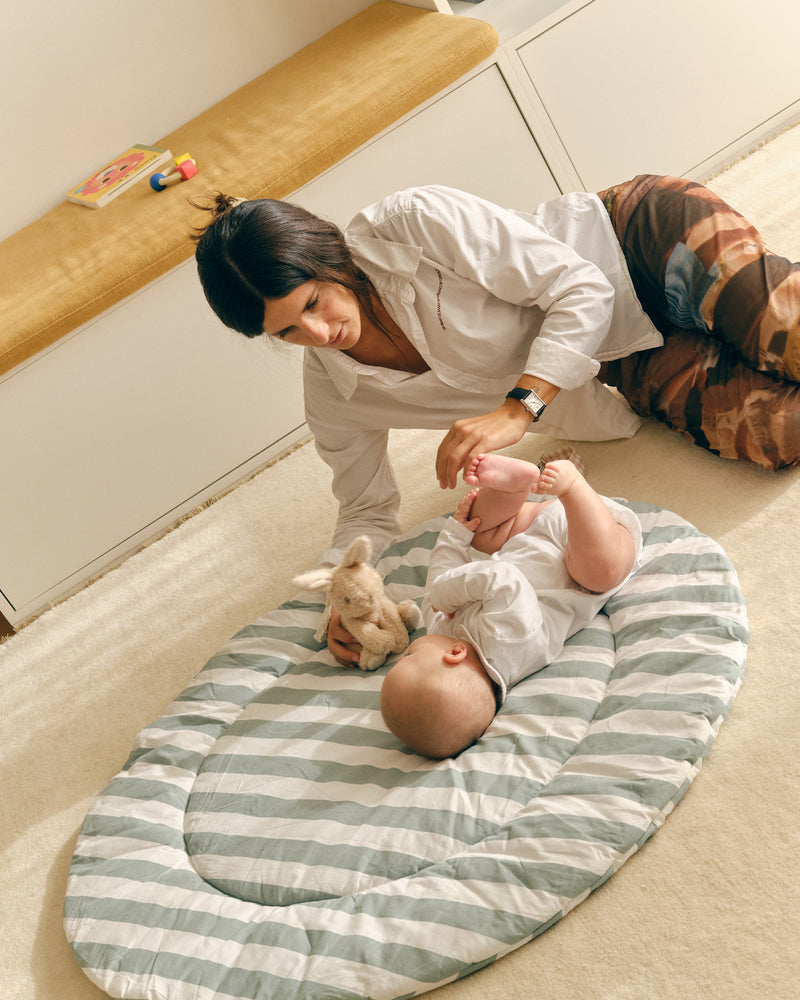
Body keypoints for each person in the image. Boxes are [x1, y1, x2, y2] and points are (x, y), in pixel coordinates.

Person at [193, 176, 800, 665]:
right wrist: (344, 595)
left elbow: (580, 287)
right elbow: (364, 511)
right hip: (620, 363)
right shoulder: (334, 391)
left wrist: (521, 408)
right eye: (289, 332)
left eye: (312, 304)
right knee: (776, 433)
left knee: (786, 332)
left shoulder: (412, 221)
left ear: (324, 257)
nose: (320, 334)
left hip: (633, 242)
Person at [379, 453, 641, 759]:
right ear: (454, 655)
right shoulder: (508, 645)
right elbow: (502, 577)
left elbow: (442, 577)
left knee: (479, 533)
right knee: (601, 572)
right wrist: (441, 595)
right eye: (409, 659)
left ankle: (513, 488)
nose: (410, 649)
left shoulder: (441, 631)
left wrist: (456, 534)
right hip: (584, 542)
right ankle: (573, 485)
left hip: (529, 531)